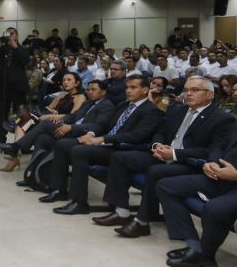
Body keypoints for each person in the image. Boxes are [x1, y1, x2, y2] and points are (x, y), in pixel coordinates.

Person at [94, 76, 234, 237]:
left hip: (188, 162)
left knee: (156, 171)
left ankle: (141, 222)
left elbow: (211, 151)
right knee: (120, 157)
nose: (188, 94)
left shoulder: (221, 118)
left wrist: (174, 154)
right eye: (186, 90)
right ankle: (121, 212)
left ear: (210, 95)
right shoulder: (179, 109)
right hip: (163, 154)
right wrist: (157, 145)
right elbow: (161, 131)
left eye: (195, 90)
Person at [41, 75, 164, 215]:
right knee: (63, 144)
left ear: (145, 90)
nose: (128, 91)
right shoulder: (124, 105)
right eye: (127, 87)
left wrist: (101, 139)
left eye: (133, 87)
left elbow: (136, 136)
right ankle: (58, 190)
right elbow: (106, 125)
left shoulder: (151, 111)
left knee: (79, 151)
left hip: (122, 148)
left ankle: (78, 202)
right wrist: (92, 134)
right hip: (107, 143)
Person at [155, 128, 237, 267]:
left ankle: (205, 255)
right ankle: (194, 245)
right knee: (165, 186)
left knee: (215, 208)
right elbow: (220, 146)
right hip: (219, 177)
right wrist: (211, 163)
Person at [0, 28, 30, 144]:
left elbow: (25, 61)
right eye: (7, 34)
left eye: (12, 34)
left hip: (18, 86)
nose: (9, 36)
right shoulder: (3, 49)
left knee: (21, 113)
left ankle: (23, 139)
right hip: (4, 85)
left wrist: (15, 46)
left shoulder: (22, 48)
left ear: (17, 36)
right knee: (2, 111)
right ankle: (1, 137)